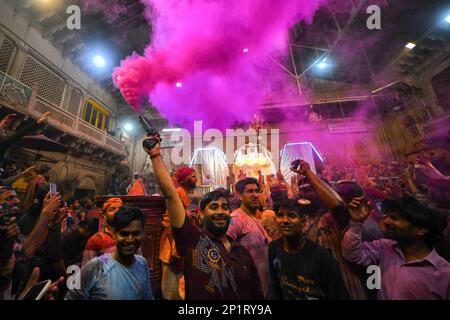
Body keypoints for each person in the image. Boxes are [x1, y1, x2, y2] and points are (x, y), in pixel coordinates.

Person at [143, 134, 263, 300]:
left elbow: (257, 294)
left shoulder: (242, 252)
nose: (220, 211)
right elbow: (170, 194)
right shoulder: (194, 242)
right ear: (201, 213)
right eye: (213, 207)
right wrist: (155, 155)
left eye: (225, 207)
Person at [291, 160, 382, 300]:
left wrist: (308, 173)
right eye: (300, 190)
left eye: (308, 190)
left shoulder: (335, 218)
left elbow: (337, 205)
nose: (302, 194)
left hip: (346, 288)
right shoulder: (304, 221)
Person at [342, 196, 450, 300]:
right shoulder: (384, 247)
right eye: (388, 216)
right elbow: (352, 254)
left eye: (394, 218)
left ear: (421, 230)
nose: (386, 221)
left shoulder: (444, 274)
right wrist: (356, 223)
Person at [65, 206, 154, 300]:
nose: (130, 240)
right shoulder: (96, 267)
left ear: (143, 234)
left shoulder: (142, 264)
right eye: (124, 234)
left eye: (136, 234)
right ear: (114, 233)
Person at [269, 199, 349, 300]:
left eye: (291, 215)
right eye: (280, 215)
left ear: (303, 222)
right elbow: (276, 287)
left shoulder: (322, 258)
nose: (285, 221)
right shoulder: (273, 248)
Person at [226, 177, 270, 298]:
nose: (255, 195)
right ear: (240, 196)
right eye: (250, 191)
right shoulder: (235, 219)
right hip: (246, 290)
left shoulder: (256, 218)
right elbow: (224, 251)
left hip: (262, 288)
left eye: (257, 191)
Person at [159, 166, 197, 300]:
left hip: (179, 238)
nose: (196, 179)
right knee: (172, 278)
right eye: (193, 176)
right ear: (185, 179)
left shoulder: (184, 193)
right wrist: (185, 215)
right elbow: (171, 217)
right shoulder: (179, 192)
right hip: (172, 240)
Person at [81, 197, 123, 266]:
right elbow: (87, 270)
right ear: (104, 215)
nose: (117, 212)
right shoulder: (95, 240)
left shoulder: (130, 236)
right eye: (112, 209)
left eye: (120, 209)